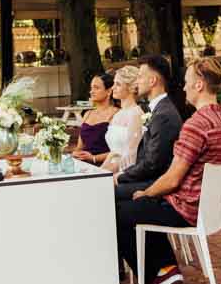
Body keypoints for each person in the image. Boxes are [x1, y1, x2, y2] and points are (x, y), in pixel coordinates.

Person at [115, 56, 221, 284]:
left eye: (186, 82)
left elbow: (172, 180)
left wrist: (147, 192)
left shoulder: (196, 124)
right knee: (142, 203)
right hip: (206, 207)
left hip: (186, 207)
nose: (183, 88)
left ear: (199, 85)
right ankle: (166, 269)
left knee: (120, 211)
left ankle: (154, 278)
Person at [114, 55, 182, 199]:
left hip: (156, 184)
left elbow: (153, 164)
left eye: (140, 76)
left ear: (152, 81)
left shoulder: (164, 114)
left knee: (108, 193)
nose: (137, 82)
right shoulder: (158, 109)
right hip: (148, 177)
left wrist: (122, 176)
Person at [103, 65, 145, 173]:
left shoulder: (136, 114)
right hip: (109, 169)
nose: (113, 88)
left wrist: (105, 174)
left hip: (124, 173)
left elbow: (131, 156)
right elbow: (113, 153)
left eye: (118, 84)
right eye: (114, 84)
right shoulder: (118, 114)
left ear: (130, 87)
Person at [72, 73, 117, 165]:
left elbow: (120, 151)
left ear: (109, 91)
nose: (91, 92)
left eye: (96, 88)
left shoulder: (116, 114)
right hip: (84, 164)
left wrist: (94, 158)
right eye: (91, 88)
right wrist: (76, 153)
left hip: (105, 165)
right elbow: (79, 147)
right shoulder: (87, 114)